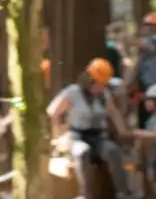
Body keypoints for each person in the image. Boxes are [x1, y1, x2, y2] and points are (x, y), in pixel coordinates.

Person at [48, 57, 134, 198]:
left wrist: (123, 131)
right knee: (83, 153)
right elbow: (53, 112)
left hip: (99, 137)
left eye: (102, 84)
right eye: (97, 83)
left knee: (113, 151)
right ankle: (86, 194)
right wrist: (58, 134)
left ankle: (124, 192)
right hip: (77, 136)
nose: (100, 87)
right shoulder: (72, 93)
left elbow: (113, 113)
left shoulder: (104, 95)